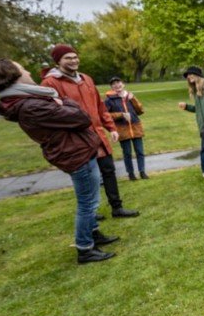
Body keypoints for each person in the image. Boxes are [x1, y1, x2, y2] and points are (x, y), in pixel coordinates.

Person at [0, 59, 119, 264]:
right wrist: (66, 102)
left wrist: (61, 103)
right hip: (75, 153)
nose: (28, 70)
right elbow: (82, 117)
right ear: (12, 75)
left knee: (91, 199)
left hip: (77, 149)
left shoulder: (30, 99)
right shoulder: (31, 105)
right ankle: (85, 248)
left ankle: (93, 233)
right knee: (87, 203)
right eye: (22, 68)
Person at [41, 45, 140, 218]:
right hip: (78, 138)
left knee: (108, 171)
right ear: (58, 61)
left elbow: (100, 107)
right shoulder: (51, 83)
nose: (73, 60)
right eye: (68, 58)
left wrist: (111, 127)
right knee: (88, 177)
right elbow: (52, 114)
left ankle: (117, 207)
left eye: (75, 57)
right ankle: (91, 212)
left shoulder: (86, 79)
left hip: (98, 135)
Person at [104, 77, 147, 180]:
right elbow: (106, 115)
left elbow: (140, 111)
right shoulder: (109, 101)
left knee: (140, 151)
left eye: (118, 83)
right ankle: (131, 174)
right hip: (122, 130)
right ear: (112, 87)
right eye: (114, 84)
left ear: (123, 84)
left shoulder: (130, 97)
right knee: (127, 153)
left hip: (136, 127)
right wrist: (121, 115)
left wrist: (133, 99)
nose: (117, 85)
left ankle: (142, 172)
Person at [177, 66, 204, 177]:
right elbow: (199, 110)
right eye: (187, 76)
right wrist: (187, 107)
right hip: (203, 126)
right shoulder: (196, 90)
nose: (188, 77)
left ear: (197, 75)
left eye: (190, 74)